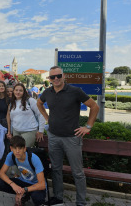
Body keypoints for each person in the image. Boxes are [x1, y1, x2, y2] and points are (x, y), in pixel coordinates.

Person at [37, 66, 99, 206]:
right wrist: (47, 117)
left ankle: (81, 202)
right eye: (53, 77)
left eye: (58, 76)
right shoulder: (47, 92)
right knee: (56, 169)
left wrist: (88, 127)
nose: (56, 79)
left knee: (77, 172)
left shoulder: (75, 91)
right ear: (49, 79)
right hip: (53, 136)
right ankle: (58, 199)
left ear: (64, 76)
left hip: (72, 138)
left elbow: (94, 107)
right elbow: (39, 103)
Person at [0, 136, 46, 206]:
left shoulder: (34, 158)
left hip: (36, 185)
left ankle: (25, 194)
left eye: (20, 148)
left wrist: (24, 190)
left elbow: (42, 184)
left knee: (37, 198)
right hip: (23, 181)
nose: (17, 151)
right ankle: (24, 195)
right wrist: (14, 185)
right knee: (0, 184)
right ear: (11, 149)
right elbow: (1, 173)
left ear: (24, 149)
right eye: (14, 148)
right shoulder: (11, 156)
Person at [7, 83, 45, 147]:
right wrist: (10, 132)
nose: (18, 92)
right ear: (13, 91)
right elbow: (12, 119)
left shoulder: (30, 101)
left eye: (20, 90)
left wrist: (41, 131)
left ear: (24, 92)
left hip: (29, 131)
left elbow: (41, 114)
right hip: (16, 131)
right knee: (17, 151)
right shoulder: (12, 103)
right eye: (16, 90)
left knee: (23, 150)